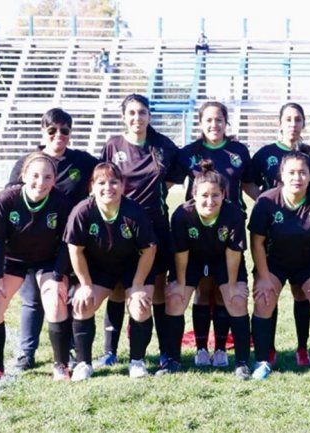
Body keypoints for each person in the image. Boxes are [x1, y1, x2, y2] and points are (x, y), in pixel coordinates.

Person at [6, 108, 98, 372]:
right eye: (52, 130)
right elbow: (11, 197)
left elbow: (107, 173)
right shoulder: (28, 161)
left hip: (68, 244)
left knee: (65, 296)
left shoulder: (81, 161)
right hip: (31, 244)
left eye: (65, 130)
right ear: (43, 131)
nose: (59, 135)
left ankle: (66, 349)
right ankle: (26, 352)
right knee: (32, 299)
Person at [97, 94, 183, 372]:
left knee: (156, 290)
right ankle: (110, 351)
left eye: (142, 112)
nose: (137, 118)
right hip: (119, 229)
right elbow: (103, 183)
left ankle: (166, 353)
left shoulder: (164, 146)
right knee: (119, 289)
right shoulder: (113, 146)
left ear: (149, 116)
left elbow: (169, 182)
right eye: (132, 113)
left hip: (155, 228)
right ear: (124, 116)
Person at [0, 152, 72, 384]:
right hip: (14, 260)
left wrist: (59, 277)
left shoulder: (61, 202)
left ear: (54, 179)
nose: (41, 182)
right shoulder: (5, 200)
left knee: (55, 301)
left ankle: (61, 366)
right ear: (24, 175)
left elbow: (65, 244)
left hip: (47, 261)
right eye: (35, 175)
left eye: (48, 177)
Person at [176, 101, 259, 368]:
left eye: (219, 120)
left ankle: (222, 348)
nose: (214, 125)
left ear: (226, 122)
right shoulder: (189, 153)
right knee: (202, 289)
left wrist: (270, 202)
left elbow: (248, 184)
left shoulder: (238, 151)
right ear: (201, 123)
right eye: (209, 120)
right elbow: (167, 182)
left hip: (229, 228)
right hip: (197, 231)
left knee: (227, 291)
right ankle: (202, 348)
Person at [248, 151, 310, 379]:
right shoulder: (267, 201)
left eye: (302, 172)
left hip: (308, 262)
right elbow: (256, 242)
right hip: (274, 262)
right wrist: (264, 276)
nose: (297, 177)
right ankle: (262, 361)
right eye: (291, 172)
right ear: (281, 175)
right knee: (264, 298)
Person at [65, 163, 157, 381]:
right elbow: (75, 250)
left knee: (141, 307)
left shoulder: (134, 212)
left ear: (123, 185)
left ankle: (137, 361)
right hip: (99, 268)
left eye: (114, 181)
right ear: (92, 187)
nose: (109, 187)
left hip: (132, 268)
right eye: (102, 182)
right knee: (82, 304)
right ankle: (84, 363)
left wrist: (137, 285)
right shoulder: (82, 212)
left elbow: (149, 250)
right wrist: (85, 285)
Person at [251, 103, 310, 367]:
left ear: (304, 123)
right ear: (279, 122)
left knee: (302, 293)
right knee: (267, 292)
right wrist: (266, 203)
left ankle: (303, 347)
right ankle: (267, 350)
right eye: (288, 119)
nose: (293, 123)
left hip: (304, 235)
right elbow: (248, 180)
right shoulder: (266, 154)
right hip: (276, 237)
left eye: (298, 119)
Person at [166, 161, 251, 378]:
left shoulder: (233, 214)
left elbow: (233, 253)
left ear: (224, 194)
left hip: (223, 260)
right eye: (204, 195)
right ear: (193, 194)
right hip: (192, 260)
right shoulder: (182, 215)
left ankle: (241, 362)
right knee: (176, 298)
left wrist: (232, 286)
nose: (209, 200)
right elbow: (181, 252)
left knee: (236, 299)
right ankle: (174, 360)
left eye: (215, 195)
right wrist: (180, 283)